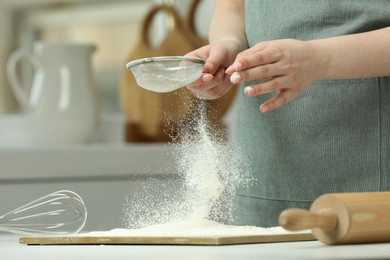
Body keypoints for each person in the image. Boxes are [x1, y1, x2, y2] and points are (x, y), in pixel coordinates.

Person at [185, 0, 390, 227]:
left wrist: (319, 58)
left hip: (371, 173)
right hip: (265, 172)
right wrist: (228, 45)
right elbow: (232, 8)